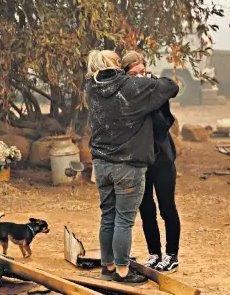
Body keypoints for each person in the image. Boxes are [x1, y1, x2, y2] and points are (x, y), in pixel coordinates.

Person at [85, 50, 179, 284]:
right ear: (118, 68)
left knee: (108, 216)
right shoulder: (130, 88)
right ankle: (123, 271)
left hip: (102, 162)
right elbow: (171, 86)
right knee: (124, 220)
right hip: (128, 163)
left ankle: (108, 267)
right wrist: (147, 81)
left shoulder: (92, 89)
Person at [120, 51, 181, 273]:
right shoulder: (125, 97)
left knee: (167, 208)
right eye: (134, 74)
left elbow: (172, 86)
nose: (139, 77)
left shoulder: (155, 89)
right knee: (146, 210)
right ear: (125, 76)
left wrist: (150, 82)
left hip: (162, 158)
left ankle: (172, 255)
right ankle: (154, 253)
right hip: (139, 161)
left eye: (143, 72)